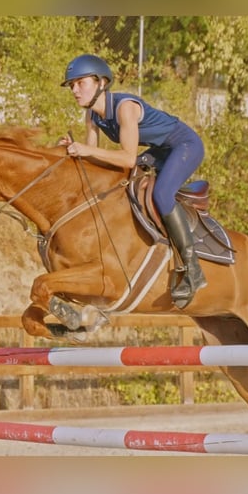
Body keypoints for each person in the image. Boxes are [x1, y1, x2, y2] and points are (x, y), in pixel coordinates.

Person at [59, 54, 207, 308]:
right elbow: (92, 159)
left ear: (101, 83)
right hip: (158, 151)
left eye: (80, 83)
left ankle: (193, 268)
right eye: (71, 85)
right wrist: (71, 151)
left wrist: (86, 150)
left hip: (184, 145)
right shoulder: (92, 116)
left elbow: (127, 159)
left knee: (161, 194)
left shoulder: (124, 108)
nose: (74, 90)